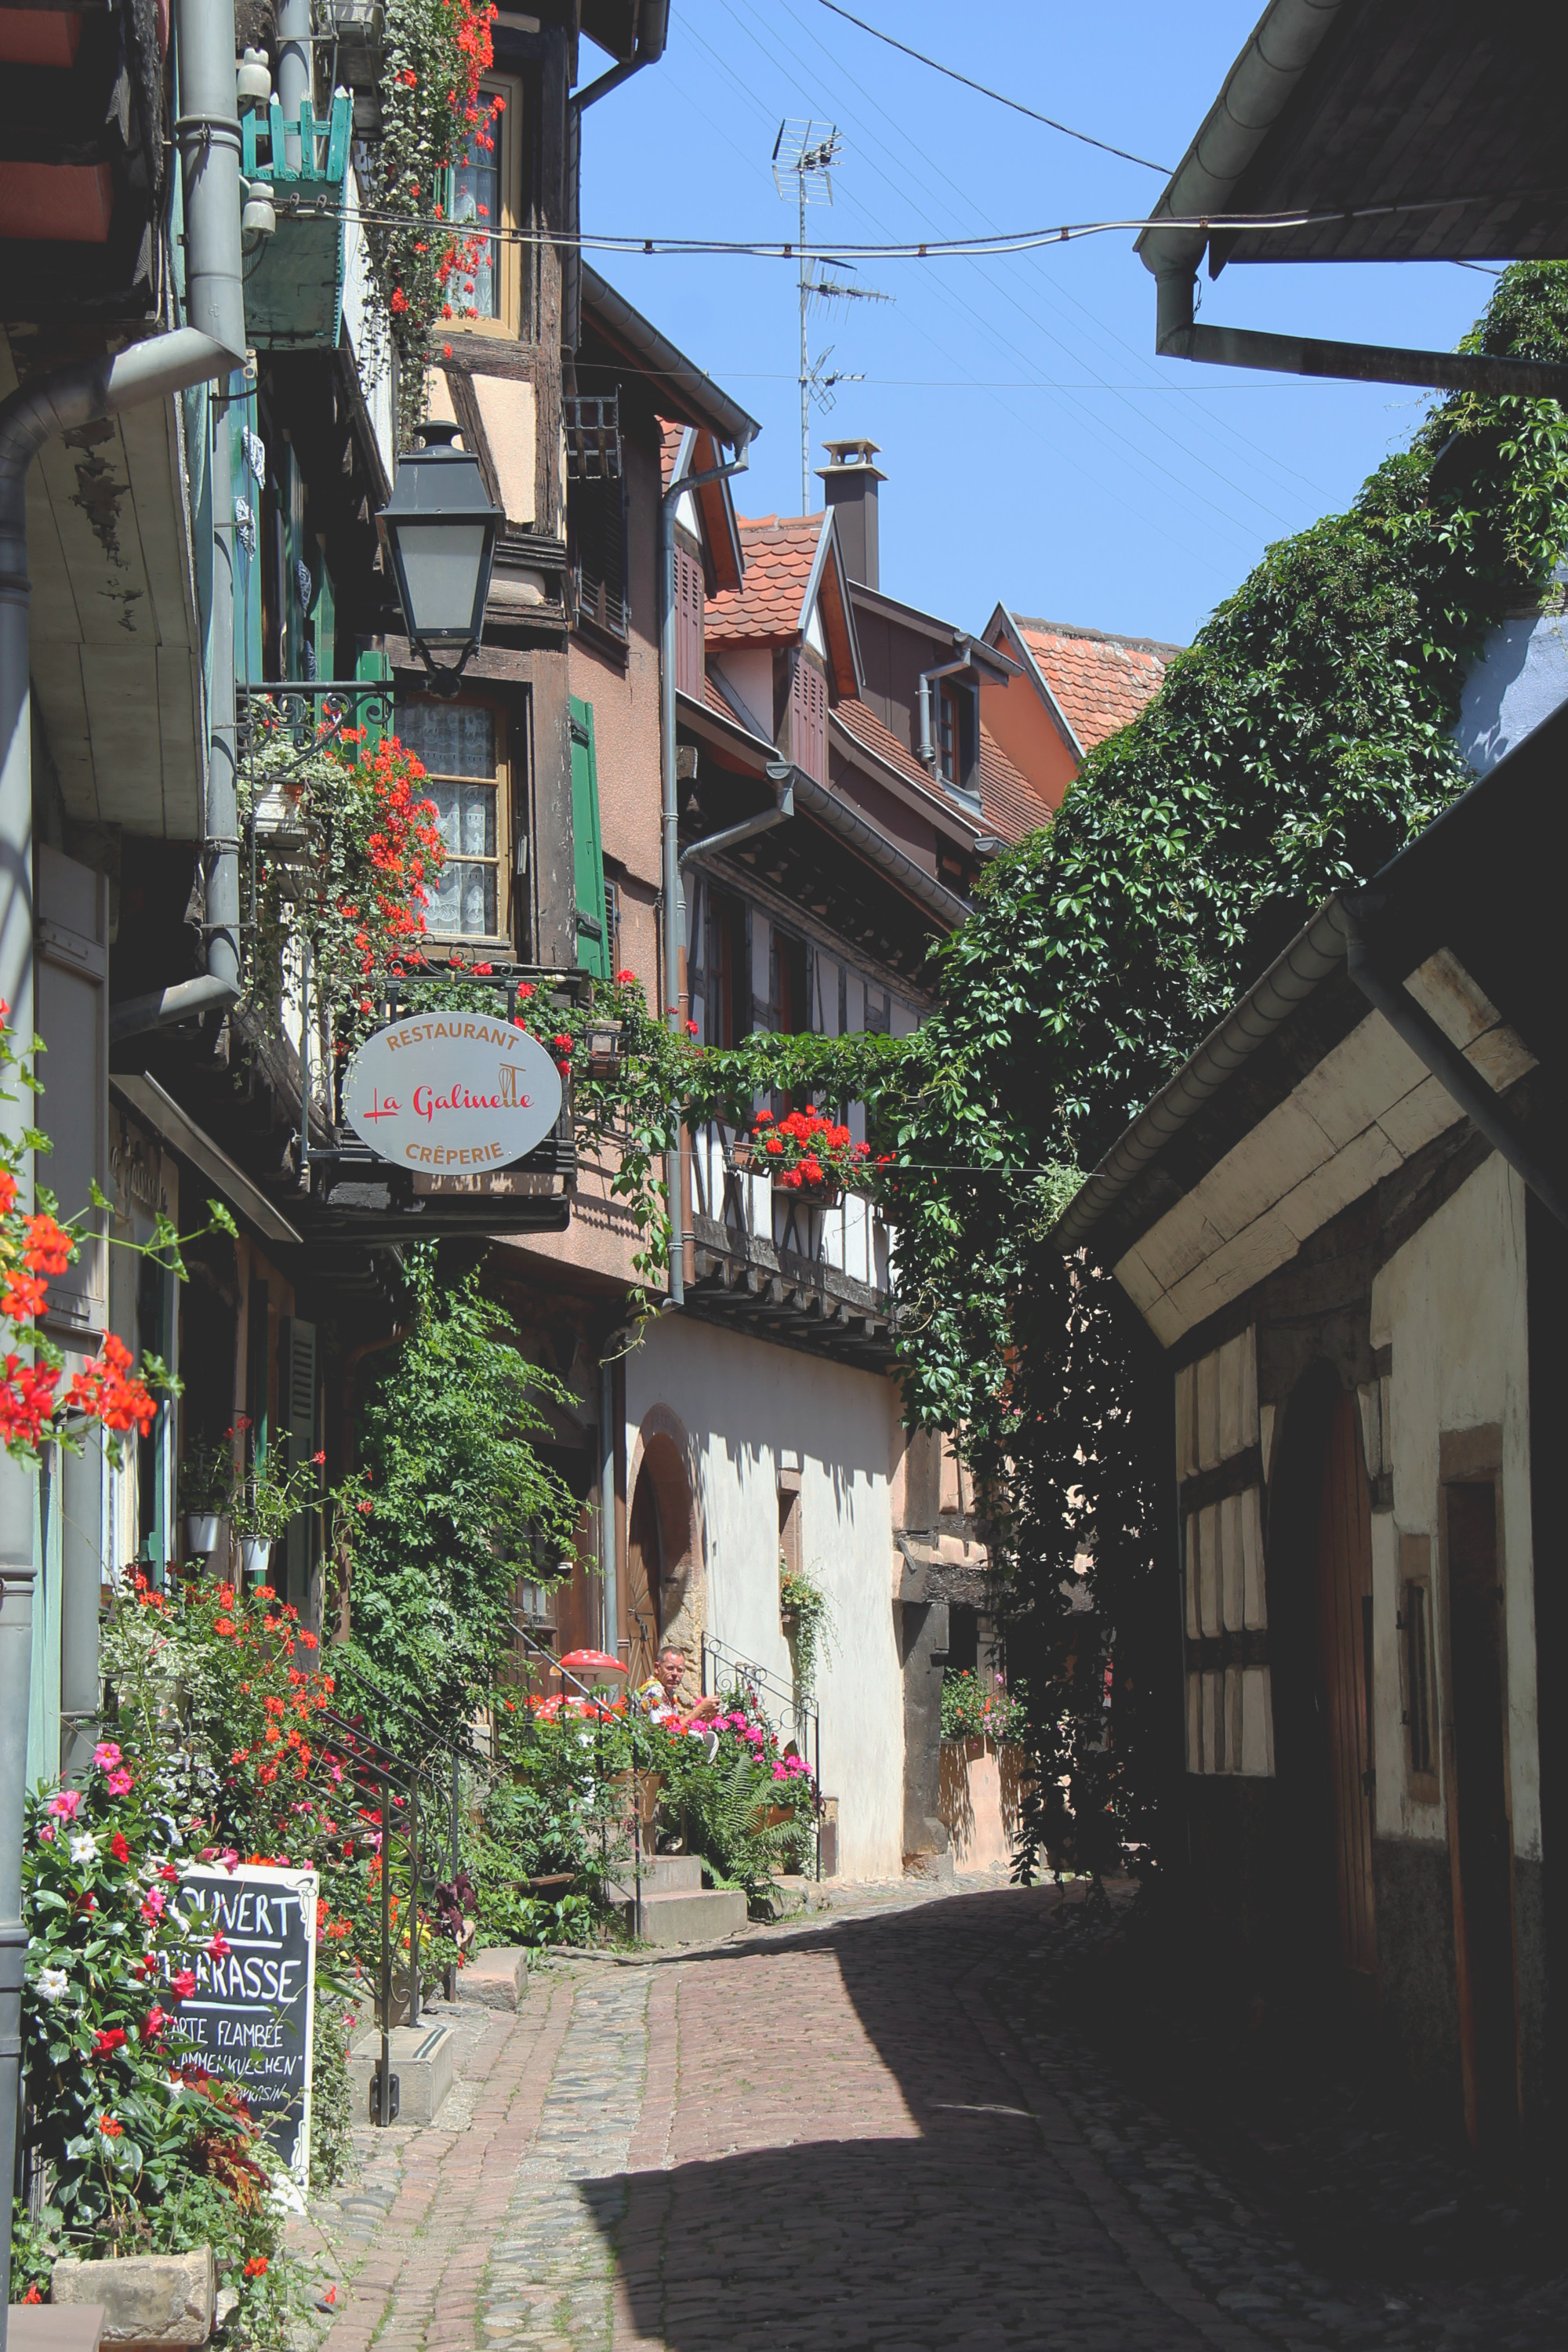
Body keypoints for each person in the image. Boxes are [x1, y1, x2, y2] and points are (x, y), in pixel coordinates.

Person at [633, 1645, 721, 1753]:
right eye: (670, 1668)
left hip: (655, 1747)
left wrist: (701, 1717)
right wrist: (700, 1709)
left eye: (680, 1670)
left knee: (708, 1738)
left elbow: (675, 1726)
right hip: (643, 1751)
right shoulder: (654, 1691)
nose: (675, 1674)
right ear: (657, 1668)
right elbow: (667, 1732)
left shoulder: (668, 1692)